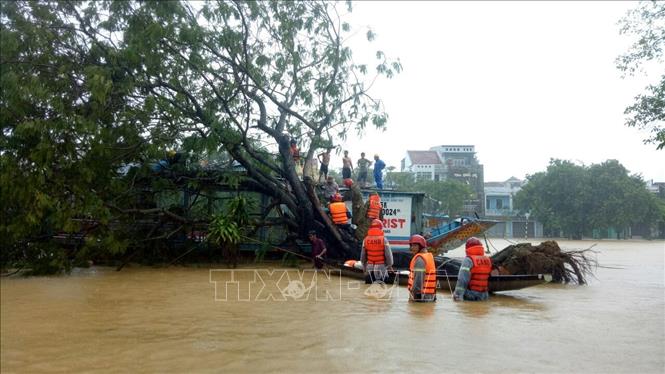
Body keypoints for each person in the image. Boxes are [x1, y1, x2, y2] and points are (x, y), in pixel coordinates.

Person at [453, 237, 492, 301]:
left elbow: (462, 279)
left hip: (471, 295)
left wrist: (457, 295)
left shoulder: (468, 260)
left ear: (467, 248)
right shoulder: (487, 259)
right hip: (484, 295)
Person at [360, 219, 393, 283]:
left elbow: (362, 258)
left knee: (367, 290)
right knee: (382, 290)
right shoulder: (384, 240)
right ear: (380, 228)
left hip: (369, 269)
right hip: (381, 269)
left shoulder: (365, 240)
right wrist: (389, 265)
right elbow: (388, 256)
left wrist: (364, 269)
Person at [407, 234, 437, 302]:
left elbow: (418, 280)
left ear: (420, 246)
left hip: (421, 297)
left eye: (415, 245)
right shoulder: (428, 256)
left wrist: (415, 297)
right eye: (411, 245)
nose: (412, 248)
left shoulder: (420, 259)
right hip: (429, 296)